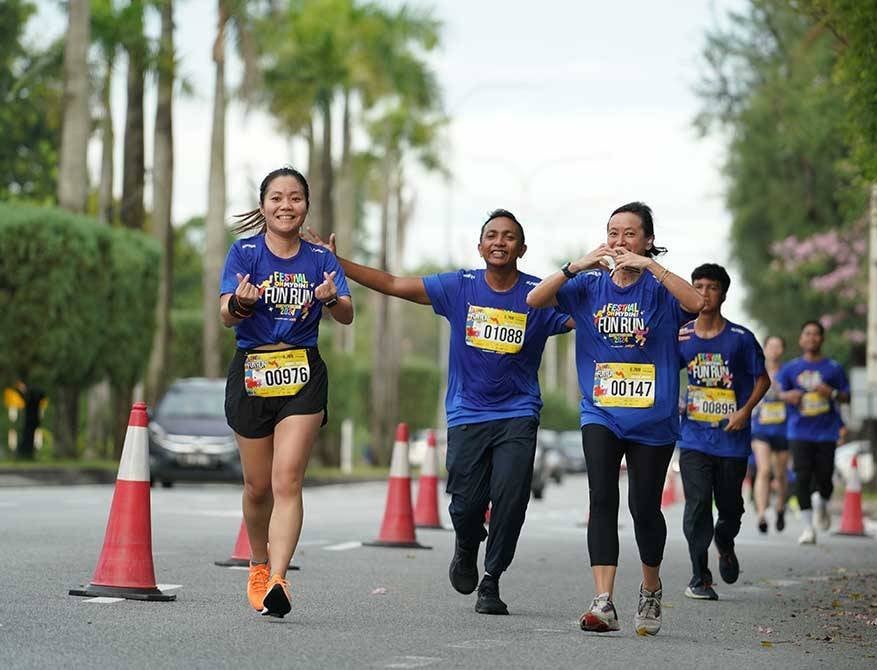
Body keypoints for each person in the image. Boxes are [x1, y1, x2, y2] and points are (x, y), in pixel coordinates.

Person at [306, 209, 571, 616]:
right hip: (467, 414)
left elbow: (593, 318)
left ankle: (492, 580)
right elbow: (393, 283)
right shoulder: (458, 286)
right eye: (492, 236)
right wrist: (334, 262)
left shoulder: (541, 293)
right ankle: (467, 546)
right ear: (480, 246)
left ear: (522, 248)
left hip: (518, 412)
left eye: (509, 237)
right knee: (465, 505)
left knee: (511, 498)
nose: (500, 242)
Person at [526, 201, 704, 636]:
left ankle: (650, 587)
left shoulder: (661, 289)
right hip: (601, 412)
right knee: (601, 498)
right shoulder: (587, 286)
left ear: (647, 241)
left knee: (644, 508)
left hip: (654, 419)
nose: (620, 241)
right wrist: (576, 265)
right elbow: (534, 299)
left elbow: (697, 301)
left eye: (630, 234)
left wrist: (651, 266)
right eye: (613, 233)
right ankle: (603, 600)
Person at [219, 167, 354, 618]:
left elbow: (348, 314)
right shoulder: (244, 252)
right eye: (276, 198)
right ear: (263, 207)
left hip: (301, 371)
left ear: (306, 206)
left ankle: (279, 577)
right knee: (258, 488)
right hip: (254, 371)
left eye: (295, 198)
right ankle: (258, 565)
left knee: (287, 479)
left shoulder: (319, 258)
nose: (286, 206)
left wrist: (332, 297)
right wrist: (241, 302)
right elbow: (225, 315)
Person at [675, 264, 769, 601]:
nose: (703, 292)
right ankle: (700, 576)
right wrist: (677, 401)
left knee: (730, 509)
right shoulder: (682, 335)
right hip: (694, 438)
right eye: (697, 285)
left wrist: (745, 412)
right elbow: (667, 371)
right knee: (697, 504)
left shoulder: (741, 339)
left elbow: (763, 379)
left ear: (723, 294)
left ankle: (725, 541)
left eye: (711, 286)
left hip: (731, 440)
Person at [776, 321, 850, 545]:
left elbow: (847, 396)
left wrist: (832, 392)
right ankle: (808, 528)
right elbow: (779, 392)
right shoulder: (790, 368)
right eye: (807, 334)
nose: (811, 338)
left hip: (826, 432)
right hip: (798, 432)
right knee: (801, 477)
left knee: (825, 479)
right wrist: (789, 396)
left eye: (816, 334)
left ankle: (822, 504)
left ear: (822, 339)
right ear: (801, 339)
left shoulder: (833, 368)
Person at [749, 335, 790, 534]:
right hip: (761, 429)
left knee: (781, 474)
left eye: (778, 346)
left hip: (783, 429)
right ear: (764, 349)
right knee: (764, 470)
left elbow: (799, 395)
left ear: (782, 350)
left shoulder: (788, 373)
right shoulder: (755, 371)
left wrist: (785, 395)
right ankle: (762, 514)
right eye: (770, 346)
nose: (774, 350)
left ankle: (781, 507)